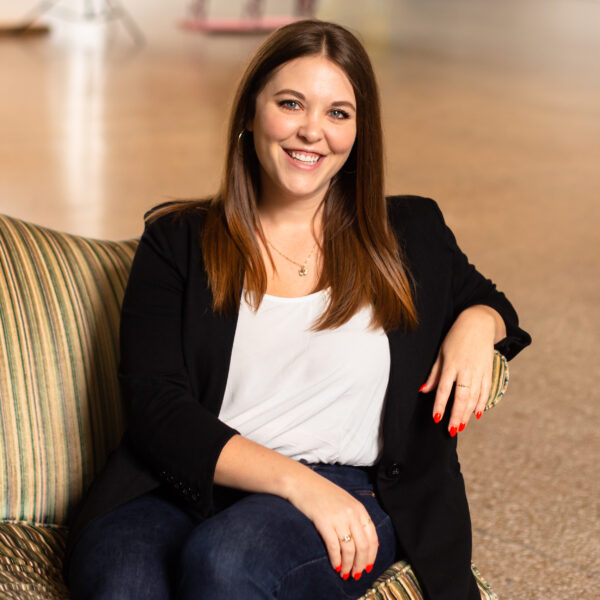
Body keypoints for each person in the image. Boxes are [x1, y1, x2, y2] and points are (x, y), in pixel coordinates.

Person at [65, 19, 532, 600]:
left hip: (353, 485)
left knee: (228, 561)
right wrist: (297, 485)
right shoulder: (179, 241)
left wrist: (477, 323)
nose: (313, 131)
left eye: (339, 113)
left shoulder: (409, 232)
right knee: (123, 582)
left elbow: (495, 304)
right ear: (250, 113)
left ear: (361, 132)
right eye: (291, 104)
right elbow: (157, 407)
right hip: (185, 480)